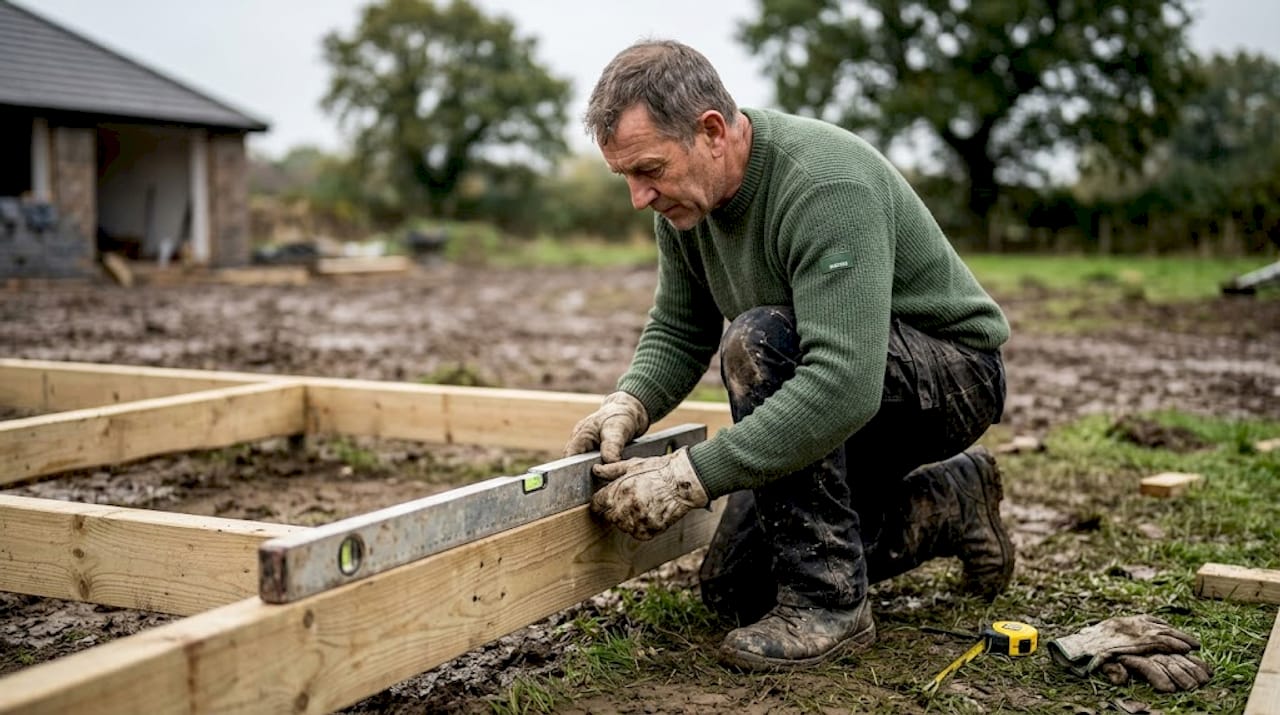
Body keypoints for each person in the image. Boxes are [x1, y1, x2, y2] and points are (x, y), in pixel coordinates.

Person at [563, 39, 1013, 672]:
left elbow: (843, 383)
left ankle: (830, 607)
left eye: (650, 170)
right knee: (735, 590)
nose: (640, 196)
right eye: (627, 177)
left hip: (949, 375)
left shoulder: (824, 184)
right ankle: (950, 504)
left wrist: (688, 476)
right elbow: (679, 327)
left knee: (758, 339)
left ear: (711, 131)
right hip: (840, 382)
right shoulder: (685, 210)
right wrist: (628, 404)